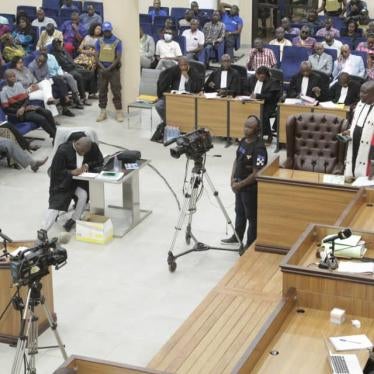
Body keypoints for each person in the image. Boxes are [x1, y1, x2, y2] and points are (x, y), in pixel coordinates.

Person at [221, 116, 267, 248]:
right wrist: (232, 179)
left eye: (249, 127)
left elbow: (257, 173)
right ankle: (237, 236)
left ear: (257, 129)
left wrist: (240, 185)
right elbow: (237, 160)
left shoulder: (259, 149)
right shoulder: (243, 141)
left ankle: (249, 244)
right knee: (239, 212)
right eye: (245, 126)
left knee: (251, 217)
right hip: (238, 184)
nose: (245, 129)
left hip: (250, 188)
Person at [42, 135, 103, 232]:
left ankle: (74, 219)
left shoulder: (90, 148)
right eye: (81, 151)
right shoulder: (62, 151)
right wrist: (71, 172)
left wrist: (87, 164)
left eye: (85, 152)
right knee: (56, 205)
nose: (83, 153)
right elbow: (55, 171)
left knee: (83, 195)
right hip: (63, 182)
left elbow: (99, 161)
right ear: (76, 143)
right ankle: (43, 230)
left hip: (78, 181)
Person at [0, 70, 57, 140]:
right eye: (10, 77)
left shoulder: (19, 85)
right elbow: (6, 108)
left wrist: (23, 107)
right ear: (6, 79)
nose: (13, 78)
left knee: (48, 113)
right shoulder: (3, 92)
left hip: (26, 108)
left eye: (14, 76)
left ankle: (55, 134)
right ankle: (55, 136)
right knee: (41, 119)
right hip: (17, 114)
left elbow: (27, 98)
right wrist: (20, 109)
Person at [155, 57, 204, 123]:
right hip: (174, 95)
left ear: (188, 64)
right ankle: (167, 121)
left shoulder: (194, 71)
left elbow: (197, 87)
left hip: (188, 96)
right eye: (181, 65)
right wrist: (165, 92)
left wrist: (187, 77)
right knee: (159, 106)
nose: (183, 67)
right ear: (178, 65)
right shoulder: (174, 70)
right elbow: (164, 79)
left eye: (185, 65)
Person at [344, 81, 374, 180]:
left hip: (370, 152)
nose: (360, 95)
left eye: (364, 93)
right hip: (354, 145)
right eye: (360, 91)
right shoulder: (359, 104)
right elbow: (355, 125)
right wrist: (349, 131)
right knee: (351, 173)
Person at [51, 38, 95, 105]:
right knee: (79, 76)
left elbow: (71, 60)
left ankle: (89, 92)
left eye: (60, 43)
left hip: (74, 67)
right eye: (57, 44)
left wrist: (78, 66)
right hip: (67, 70)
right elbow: (58, 66)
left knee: (90, 73)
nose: (59, 45)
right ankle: (83, 98)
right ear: (54, 45)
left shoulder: (64, 50)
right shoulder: (53, 55)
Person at [95, 22, 124, 123]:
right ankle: (103, 112)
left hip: (114, 70)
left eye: (108, 30)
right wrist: (103, 68)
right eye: (105, 30)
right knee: (102, 91)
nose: (106, 32)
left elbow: (118, 57)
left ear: (111, 30)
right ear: (103, 30)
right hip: (102, 69)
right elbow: (96, 56)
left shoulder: (117, 41)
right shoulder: (99, 41)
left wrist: (109, 68)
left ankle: (119, 112)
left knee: (116, 91)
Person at [248, 66, 281, 144]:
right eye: (257, 75)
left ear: (266, 75)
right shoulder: (253, 79)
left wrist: (258, 96)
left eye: (261, 76)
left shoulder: (273, 82)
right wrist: (250, 95)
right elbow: (247, 89)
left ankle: (268, 134)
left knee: (262, 114)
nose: (259, 78)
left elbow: (270, 96)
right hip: (254, 102)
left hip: (269, 104)